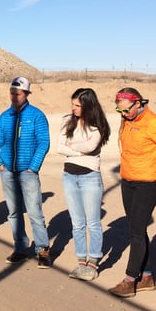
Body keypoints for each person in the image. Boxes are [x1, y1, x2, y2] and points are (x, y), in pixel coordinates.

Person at [108, 87, 156, 298]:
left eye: (126, 110)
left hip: (148, 183)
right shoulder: (126, 120)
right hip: (128, 180)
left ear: (138, 103)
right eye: (119, 111)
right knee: (136, 228)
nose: (123, 114)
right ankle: (147, 276)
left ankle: (130, 280)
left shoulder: (155, 123)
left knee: (136, 232)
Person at [0, 76, 51, 268]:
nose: (14, 97)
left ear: (26, 94)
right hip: (8, 172)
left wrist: (33, 167)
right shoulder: (4, 117)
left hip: (27, 173)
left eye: (17, 93)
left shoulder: (36, 116)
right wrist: (0, 163)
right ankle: (20, 248)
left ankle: (42, 250)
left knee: (35, 212)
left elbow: (43, 142)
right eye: (12, 93)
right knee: (13, 212)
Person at [57, 88, 111, 281]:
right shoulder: (66, 120)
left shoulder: (98, 125)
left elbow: (91, 146)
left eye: (77, 105)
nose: (73, 108)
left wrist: (71, 147)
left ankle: (94, 260)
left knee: (93, 223)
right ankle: (81, 261)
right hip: (69, 176)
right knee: (77, 222)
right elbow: (59, 147)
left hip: (90, 177)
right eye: (72, 104)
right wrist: (79, 151)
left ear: (88, 105)